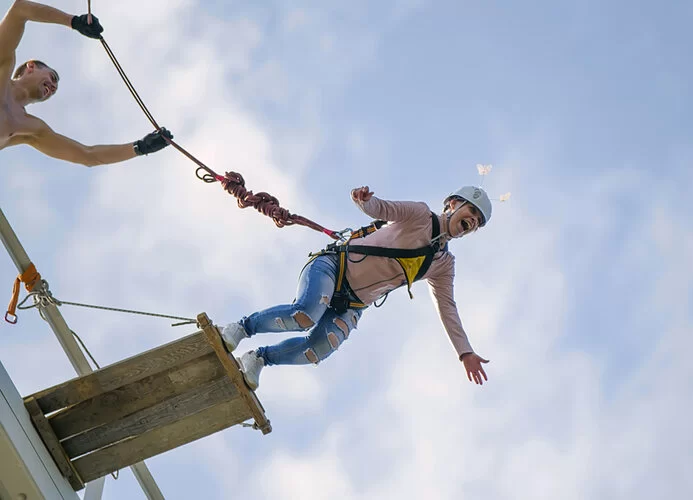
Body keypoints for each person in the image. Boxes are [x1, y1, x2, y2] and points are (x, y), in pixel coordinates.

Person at [219, 185, 492, 389]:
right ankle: (241, 328)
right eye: (472, 213)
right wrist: (365, 201)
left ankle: (258, 359)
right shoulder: (420, 214)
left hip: (352, 303)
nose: (473, 222)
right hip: (334, 267)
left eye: (477, 223)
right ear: (453, 203)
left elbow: (447, 308)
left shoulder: (443, 264)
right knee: (305, 313)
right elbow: (383, 209)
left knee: (320, 348)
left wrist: (464, 352)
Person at [0, 1, 172, 166]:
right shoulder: (3, 64)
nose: (53, 87)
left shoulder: (30, 128)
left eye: (55, 89)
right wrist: (74, 22)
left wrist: (141, 147)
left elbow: (87, 155)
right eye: (52, 77)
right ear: (31, 66)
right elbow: (19, 10)